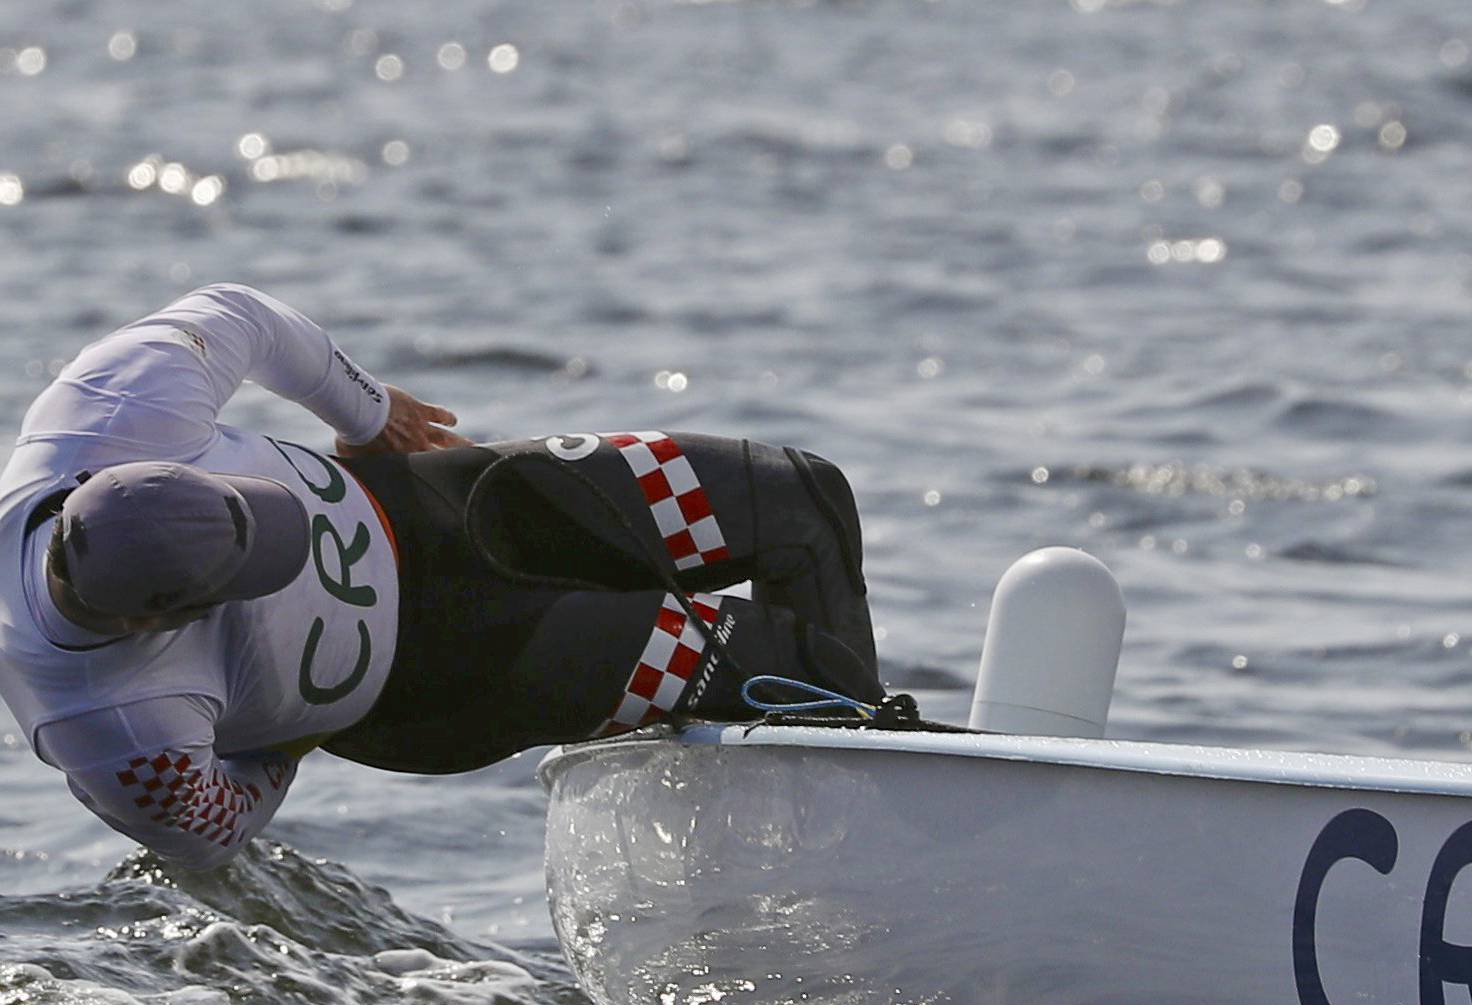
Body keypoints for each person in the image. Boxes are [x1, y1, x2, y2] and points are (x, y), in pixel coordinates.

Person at [0, 285, 879, 870]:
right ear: (156, 624)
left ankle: (847, 818)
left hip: (444, 507)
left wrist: (368, 411)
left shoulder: (103, 418)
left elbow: (239, 315)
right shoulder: (110, 728)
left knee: (801, 501)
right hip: (454, 679)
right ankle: (872, 837)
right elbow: (212, 834)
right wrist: (284, 741)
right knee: (796, 668)